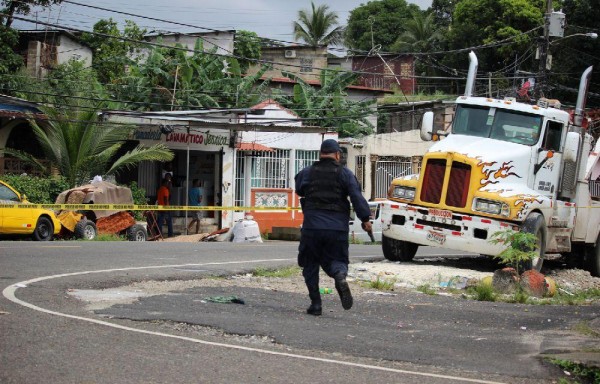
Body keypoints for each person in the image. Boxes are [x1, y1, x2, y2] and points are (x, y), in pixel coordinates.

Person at [295, 139, 372, 316]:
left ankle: (315, 304)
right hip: (337, 228)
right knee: (338, 260)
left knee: (310, 264)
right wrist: (365, 218)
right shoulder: (344, 173)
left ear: (320, 154)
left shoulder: (307, 172)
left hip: (312, 227)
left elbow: (299, 189)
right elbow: (355, 195)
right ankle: (339, 275)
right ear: (337, 155)